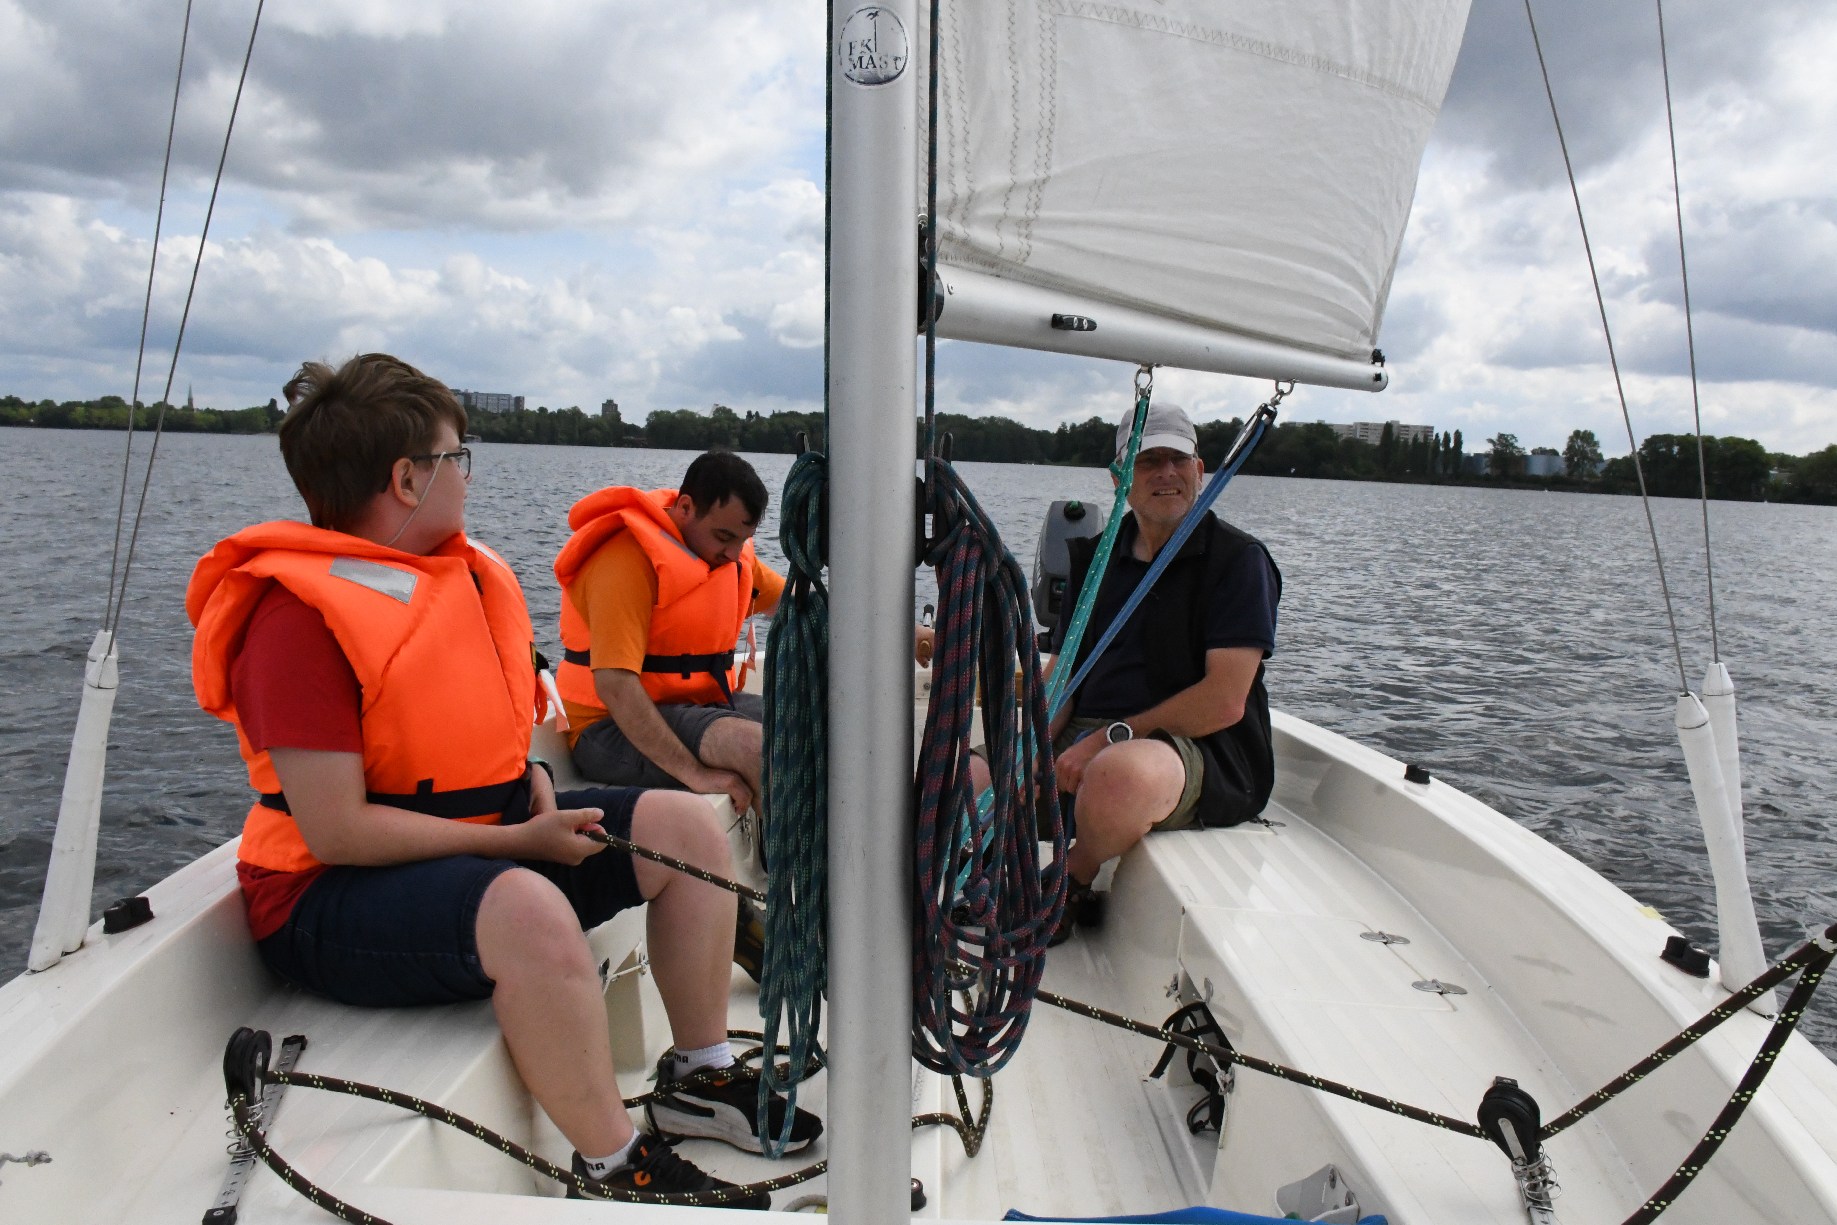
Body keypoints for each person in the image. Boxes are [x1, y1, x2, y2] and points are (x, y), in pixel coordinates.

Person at [187, 355, 818, 1206]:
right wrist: (515, 841)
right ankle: (611, 1164)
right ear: (407, 478)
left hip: (488, 838)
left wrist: (529, 787)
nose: (468, 478)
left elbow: (478, 723)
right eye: (459, 458)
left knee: (685, 827)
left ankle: (699, 1075)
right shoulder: (294, 621)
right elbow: (336, 831)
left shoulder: (460, 575)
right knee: (530, 906)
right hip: (324, 896)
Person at [1043, 401, 1281, 941]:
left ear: (1201, 471)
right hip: (1091, 734)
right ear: (1119, 477)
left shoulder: (1238, 562)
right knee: (970, 777)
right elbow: (1065, 669)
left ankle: (1070, 878)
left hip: (1194, 748)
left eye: (1179, 460)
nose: (1166, 473)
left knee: (1116, 775)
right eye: (1149, 461)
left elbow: (1223, 701)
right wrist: (1032, 742)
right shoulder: (1098, 559)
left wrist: (1107, 738)